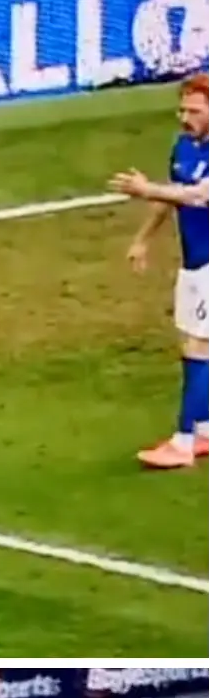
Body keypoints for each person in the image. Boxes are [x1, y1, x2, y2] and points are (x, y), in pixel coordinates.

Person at [113, 73, 210, 470]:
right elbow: (172, 195)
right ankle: (204, 428)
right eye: (182, 109)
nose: (185, 117)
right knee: (193, 344)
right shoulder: (184, 145)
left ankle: (184, 442)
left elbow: (199, 195)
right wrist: (142, 239)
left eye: (195, 111)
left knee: (199, 347)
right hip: (195, 262)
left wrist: (146, 189)